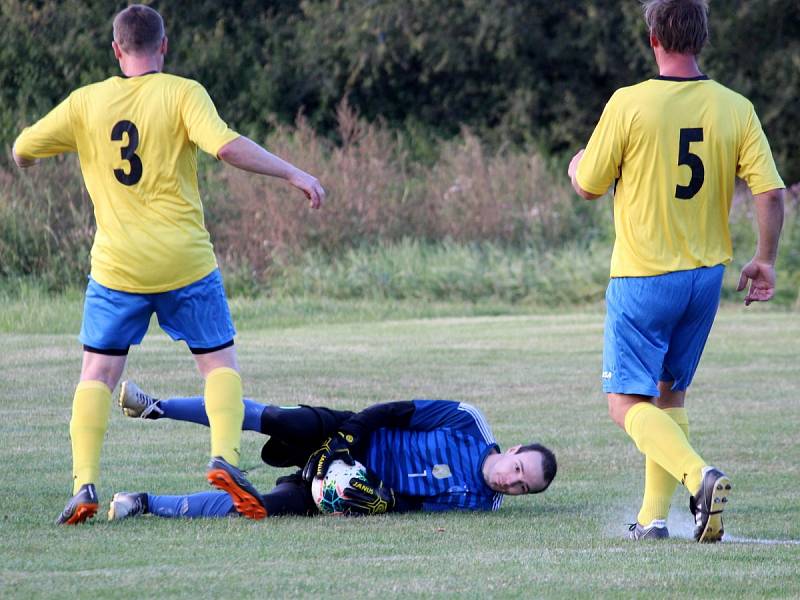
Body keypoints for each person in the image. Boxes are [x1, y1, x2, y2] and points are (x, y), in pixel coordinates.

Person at [12, 5, 325, 525]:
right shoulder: (182, 92)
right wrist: (294, 174)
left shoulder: (85, 103)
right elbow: (226, 147)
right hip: (184, 262)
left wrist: (26, 162)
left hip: (117, 268)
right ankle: (225, 457)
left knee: (98, 374)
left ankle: (84, 484)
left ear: (116, 50)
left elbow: (24, 146)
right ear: (164, 46)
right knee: (219, 365)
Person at [566, 0, 784, 542]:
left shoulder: (630, 103)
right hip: (704, 278)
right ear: (702, 38)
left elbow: (588, 185)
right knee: (669, 396)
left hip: (643, 276)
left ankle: (698, 475)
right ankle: (652, 520)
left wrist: (575, 164)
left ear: (653, 39)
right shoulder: (735, 107)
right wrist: (766, 259)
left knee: (624, 404)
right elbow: (771, 192)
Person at [106, 381, 557, 520]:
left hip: (342, 487)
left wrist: (376, 499)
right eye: (517, 467)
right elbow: (391, 410)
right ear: (512, 448)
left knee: (259, 507)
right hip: (346, 431)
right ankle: (157, 408)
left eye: (520, 487)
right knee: (279, 419)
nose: (509, 480)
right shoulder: (468, 422)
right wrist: (343, 443)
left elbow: (417, 504)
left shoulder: (482, 504)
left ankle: (141, 503)